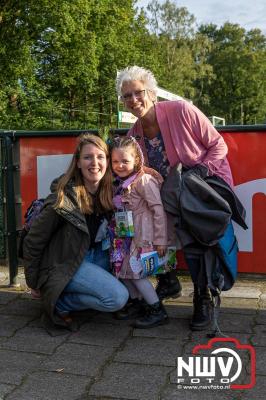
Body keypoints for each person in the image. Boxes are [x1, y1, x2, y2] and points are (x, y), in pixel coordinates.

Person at [115, 66, 234, 331]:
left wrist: (202, 171)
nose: (133, 100)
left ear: (152, 93)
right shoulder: (133, 135)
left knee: (193, 238)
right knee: (141, 218)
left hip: (204, 185)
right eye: (127, 96)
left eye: (138, 93)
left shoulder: (181, 110)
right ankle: (167, 280)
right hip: (171, 193)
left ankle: (202, 297)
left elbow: (219, 145)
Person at [23, 133, 129, 330]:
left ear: (107, 161)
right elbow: (33, 241)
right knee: (117, 298)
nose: (94, 162)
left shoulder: (110, 192)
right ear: (78, 163)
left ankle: (61, 293)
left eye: (100, 157)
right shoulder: (62, 198)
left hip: (95, 255)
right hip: (65, 261)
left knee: (128, 273)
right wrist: (33, 282)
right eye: (88, 157)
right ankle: (59, 304)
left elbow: (134, 170)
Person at [109, 136, 169, 328]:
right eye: (115, 161)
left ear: (137, 160)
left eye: (125, 161)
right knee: (124, 272)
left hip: (143, 237)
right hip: (125, 236)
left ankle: (156, 309)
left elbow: (158, 209)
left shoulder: (144, 180)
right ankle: (138, 303)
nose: (120, 165)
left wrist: (160, 239)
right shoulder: (119, 182)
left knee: (137, 274)